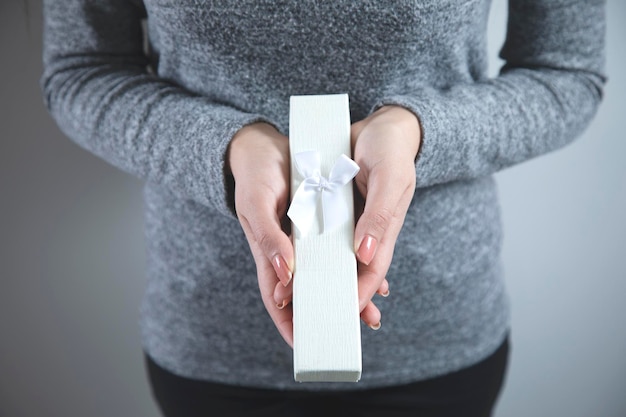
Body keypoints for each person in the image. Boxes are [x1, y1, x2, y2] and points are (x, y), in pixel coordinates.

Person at [41, 0, 606, 416]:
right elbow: (82, 71)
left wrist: (417, 132)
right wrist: (229, 145)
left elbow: (566, 72)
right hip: (214, 346)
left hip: (437, 342)